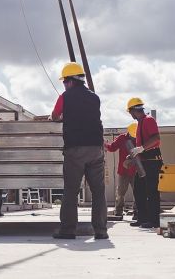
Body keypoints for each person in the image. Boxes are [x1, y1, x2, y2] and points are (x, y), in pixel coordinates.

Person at [50, 62, 108, 240]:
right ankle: (101, 231)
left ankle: (68, 230)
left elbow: (55, 116)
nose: (64, 85)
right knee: (98, 191)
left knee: (71, 190)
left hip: (75, 148)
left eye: (64, 82)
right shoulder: (95, 97)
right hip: (96, 148)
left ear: (69, 81)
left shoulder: (65, 97)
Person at [127, 97, 163, 229]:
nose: (130, 115)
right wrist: (135, 154)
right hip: (143, 162)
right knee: (139, 190)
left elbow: (156, 138)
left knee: (151, 191)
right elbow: (142, 144)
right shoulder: (141, 122)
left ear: (133, 110)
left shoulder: (148, 120)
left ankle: (154, 221)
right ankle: (142, 219)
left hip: (152, 162)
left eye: (130, 112)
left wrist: (141, 148)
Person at [105, 121, 139, 218]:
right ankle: (118, 212)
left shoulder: (139, 138)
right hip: (123, 171)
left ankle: (137, 212)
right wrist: (105, 145)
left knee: (138, 192)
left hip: (136, 171)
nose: (134, 138)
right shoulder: (122, 138)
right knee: (120, 193)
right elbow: (112, 148)